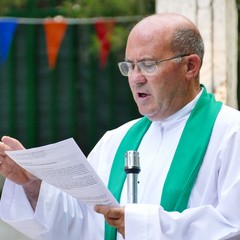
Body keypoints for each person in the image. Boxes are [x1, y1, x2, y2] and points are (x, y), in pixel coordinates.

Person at [0, 12, 240, 240]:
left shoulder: (231, 132)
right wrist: (32, 184)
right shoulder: (116, 140)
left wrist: (141, 225)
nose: (136, 78)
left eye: (148, 64)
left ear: (190, 66)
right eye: (130, 66)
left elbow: (232, 226)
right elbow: (84, 223)